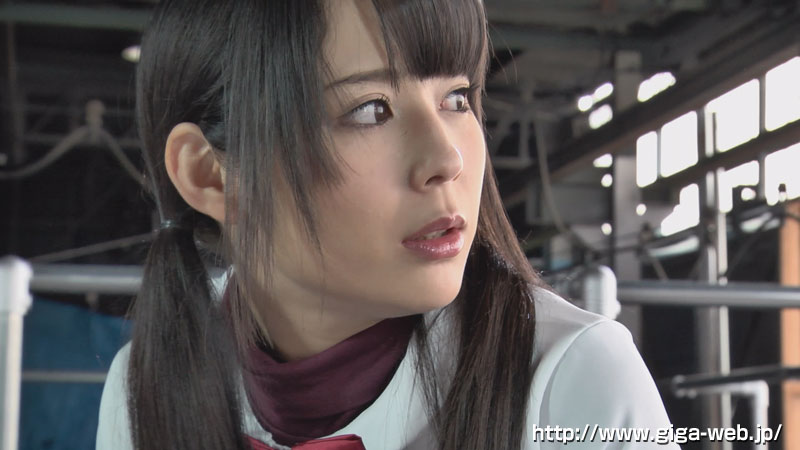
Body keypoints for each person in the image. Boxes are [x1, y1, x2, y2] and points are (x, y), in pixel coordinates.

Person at [96, 1, 680, 449]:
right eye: (371, 109)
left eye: (457, 98)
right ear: (210, 175)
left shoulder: (571, 378)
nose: (447, 157)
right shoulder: (144, 390)